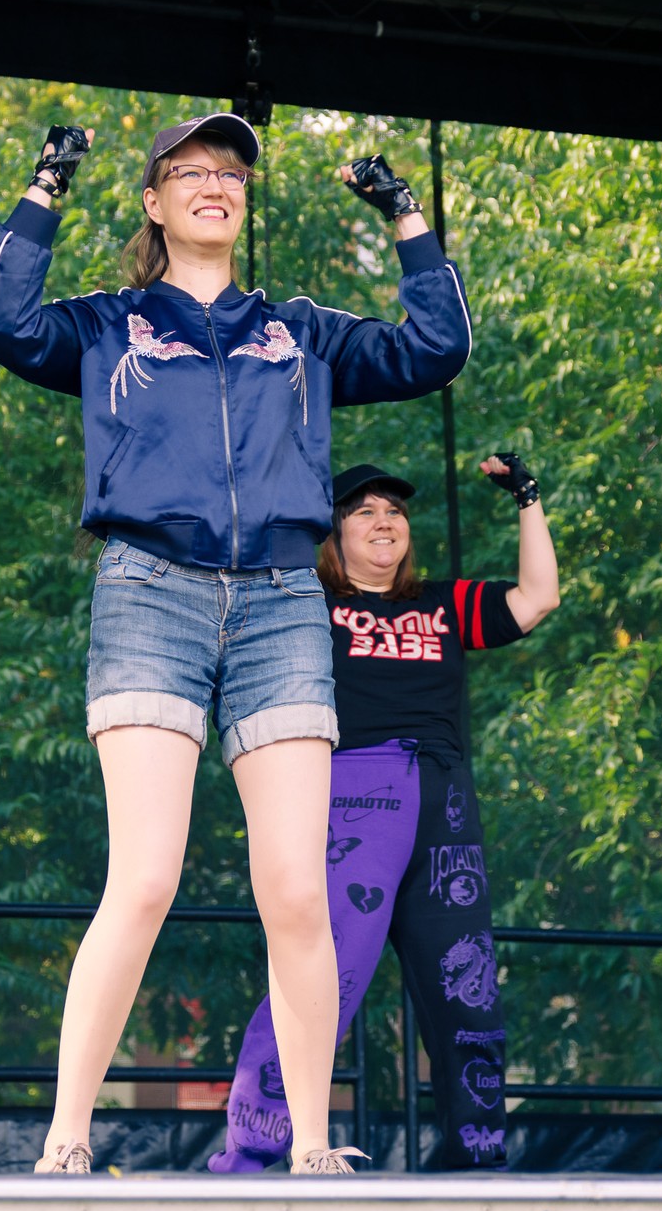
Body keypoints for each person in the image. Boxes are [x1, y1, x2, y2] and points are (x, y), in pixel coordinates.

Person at [0, 115, 472, 1174]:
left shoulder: (299, 331)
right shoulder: (107, 324)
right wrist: (45, 189)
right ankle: (66, 1139)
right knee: (145, 878)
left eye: (233, 173)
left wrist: (405, 216)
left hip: (283, 601)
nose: (216, 184)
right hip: (150, 593)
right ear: (154, 204)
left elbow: (436, 349)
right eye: (191, 171)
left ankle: (312, 1148)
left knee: (295, 889)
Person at [209, 456, 560, 1173]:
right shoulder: (307, 602)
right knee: (324, 976)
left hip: (443, 800)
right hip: (351, 793)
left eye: (394, 511)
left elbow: (537, 598)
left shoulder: (441, 603)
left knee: (466, 982)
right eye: (363, 511)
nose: (384, 521)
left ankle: (476, 1156)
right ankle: (253, 1151)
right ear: (334, 533)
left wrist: (528, 497)